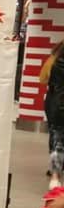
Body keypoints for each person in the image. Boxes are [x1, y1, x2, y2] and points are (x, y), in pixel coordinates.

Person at [43, 39, 64, 188]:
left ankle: (55, 174)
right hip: (58, 104)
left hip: (54, 103)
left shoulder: (53, 60)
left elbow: (42, 78)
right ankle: (56, 173)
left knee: (56, 137)